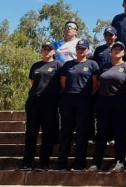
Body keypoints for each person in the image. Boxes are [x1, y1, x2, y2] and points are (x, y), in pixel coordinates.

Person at [89, 41, 126, 173]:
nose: (117, 51)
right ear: (111, 52)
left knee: (119, 133)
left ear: (124, 52)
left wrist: (124, 97)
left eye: (120, 49)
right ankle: (96, 163)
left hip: (120, 102)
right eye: (115, 49)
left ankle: (120, 162)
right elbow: (98, 83)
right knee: (101, 134)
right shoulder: (104, 67)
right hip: (103, 101)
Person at [54, 39, 99, 171]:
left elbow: (96, 84)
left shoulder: (93, 64)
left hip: (84, 100)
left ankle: (79, 163)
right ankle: (61, 163)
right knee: (66, 132)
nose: (80, 50)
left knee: (82, 132)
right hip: (68, 99)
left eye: (83, 48)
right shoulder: (68, 64)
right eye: (79, 48)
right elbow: (63, 83)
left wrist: (86, 96)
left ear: (88, 50)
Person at [21, 42, 61, 171]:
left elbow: (62, 84)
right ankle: (27, 162)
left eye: (49, 49)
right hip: (34, 101)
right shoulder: (36, 65)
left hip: (49, 102)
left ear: (54, 52)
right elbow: (33, 82)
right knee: (31, 133)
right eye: (44, 49)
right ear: (41, 51)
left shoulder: (58, 65)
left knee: (47, 134)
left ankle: (43, 163)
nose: (46, 51)